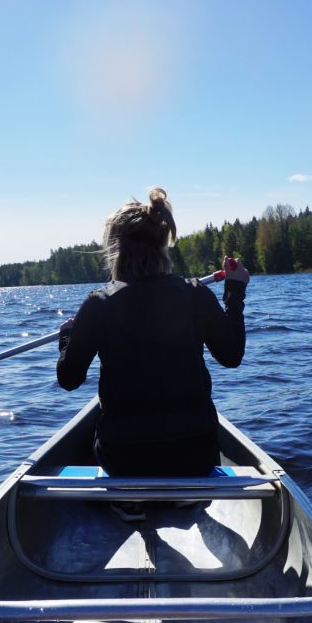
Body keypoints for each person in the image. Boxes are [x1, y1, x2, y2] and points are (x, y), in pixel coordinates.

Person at [56, 187, 249, 494]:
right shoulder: (195, 293)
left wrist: (67, 336)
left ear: (115, 250)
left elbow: (69, 379)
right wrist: (235, 291)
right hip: (196, 456)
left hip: (124, 461)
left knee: (97, 439)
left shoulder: (99, 304)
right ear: (162, 245)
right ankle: (186, 499)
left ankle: (128, 503)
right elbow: (231, 356)